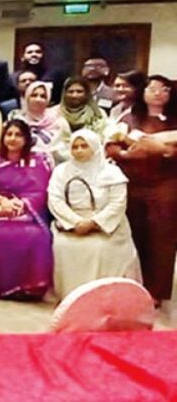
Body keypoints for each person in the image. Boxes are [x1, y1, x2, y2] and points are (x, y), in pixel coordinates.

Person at [106, 75, 177, 302]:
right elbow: (111, 146)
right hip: (133, 184)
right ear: (142, 92)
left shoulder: (174, 121)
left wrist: (162, 150)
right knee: (134, 234)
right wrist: (127, 154)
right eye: (152, 88)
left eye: (164, 89)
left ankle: (156, 292)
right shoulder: (129, 117)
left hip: (165, 186)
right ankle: (133, 286)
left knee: (161, 238)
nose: (157, 93)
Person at [49, 131, 140, 298]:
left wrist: (94, 223)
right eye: (75, 147)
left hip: (108, 225)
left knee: (101, 248)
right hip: (71, 224)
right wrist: (76, 222)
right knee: (62, 246)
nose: (79, 150)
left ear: (95, 147)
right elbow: (55, 200)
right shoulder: (61, 171)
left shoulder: (112, 172)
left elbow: (117, 203)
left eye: (84, 146)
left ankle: (104, 297)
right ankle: (71, 297)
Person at [0, 120, 54, 300]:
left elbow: (40, 191)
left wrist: (22, 205)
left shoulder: (37, 161)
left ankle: (30, 288)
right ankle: (3, 287)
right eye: (9, 134)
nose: (12, 138)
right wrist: (2, 202)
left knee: (35, 236)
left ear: (26, 139)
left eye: (18, 135)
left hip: (29, 210)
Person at [7, 81, 71, 164]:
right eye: (34, 95)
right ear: (27, 98)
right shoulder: (16, 121)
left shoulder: (59, 122)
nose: (38, 99)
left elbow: (68, 149)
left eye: (43, 96)